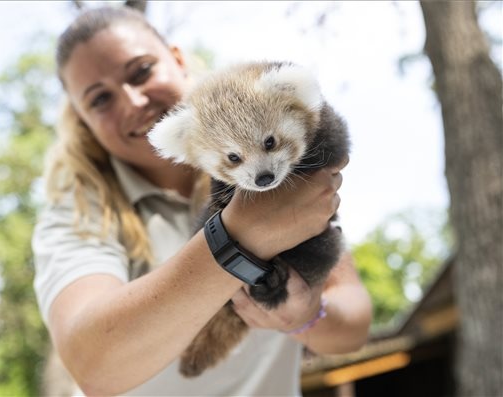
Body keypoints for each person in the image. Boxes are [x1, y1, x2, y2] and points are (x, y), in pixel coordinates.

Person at [32, 5, 372, 396]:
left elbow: (354, 327)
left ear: (177, 60)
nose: (132, 101)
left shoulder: (276, 150)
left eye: (141, 71)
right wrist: (237, 238)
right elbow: (93, 366)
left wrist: (306, 316)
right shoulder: (76, 212)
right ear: (81, 117)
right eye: (100, 99)